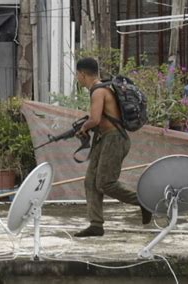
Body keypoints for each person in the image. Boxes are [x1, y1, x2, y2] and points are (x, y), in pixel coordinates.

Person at [74, 57, 152, 237]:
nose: (77, 79)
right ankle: (96, 225)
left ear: (82, 74)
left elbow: (94, 119)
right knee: (91, 182)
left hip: (114, 140)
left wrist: (84, 128)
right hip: (105, 139)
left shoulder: (98, 91)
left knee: (105, 183)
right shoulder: (103, 88)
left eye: (77, 75)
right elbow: (100, 119)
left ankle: (143, 202)